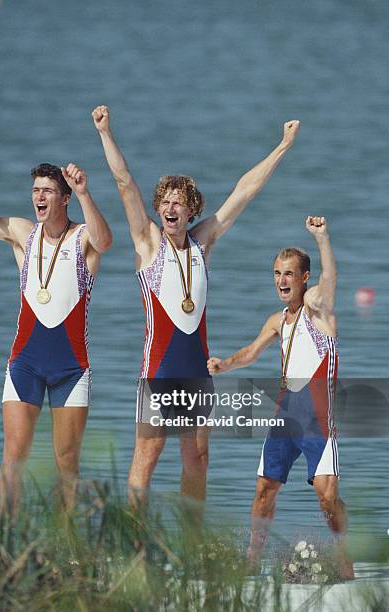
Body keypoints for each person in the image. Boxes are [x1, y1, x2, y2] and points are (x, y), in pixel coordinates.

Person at [92, 104, 300, 506]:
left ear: (192, 210)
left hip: (197, 371)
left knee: (198, 459)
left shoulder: (203, 243)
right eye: (165, 203)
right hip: (160, 368)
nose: (170, 209)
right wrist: (105, 133)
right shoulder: (147, 243)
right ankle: (133, 544)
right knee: (147, 457)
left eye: (179, 203)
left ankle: (192, 549)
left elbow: (244, 191)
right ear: (158, 209)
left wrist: (283, 145)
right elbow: (124, 183)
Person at [0, 156, 112, 514]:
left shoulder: (82, 237)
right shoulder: (23, 232)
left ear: (64, 198)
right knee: (14, 456)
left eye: (48, 191)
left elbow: (106, 241)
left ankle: (65, 543)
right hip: (25, 363)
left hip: (71, 368)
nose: (39, 196)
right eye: (35, 190)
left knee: (66, 462)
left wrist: (85, 193)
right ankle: (9, 539)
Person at [208, 216, 354, 579]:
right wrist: (223, 365)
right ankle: (251, 561)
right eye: (277, 274)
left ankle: (345, 557)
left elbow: (331, 282)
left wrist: (322, 238)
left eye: (289, 274)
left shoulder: (318, 309)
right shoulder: (278, 320)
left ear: (305, 278)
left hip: (318, 416)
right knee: (263, 491)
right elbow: (252, 352)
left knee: (327, 496)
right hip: (285, 413)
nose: (281, 281)